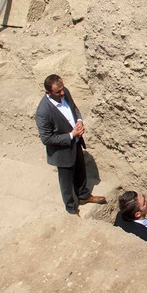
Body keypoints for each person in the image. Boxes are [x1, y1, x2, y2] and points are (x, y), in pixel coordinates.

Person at [35, 74, 105, 216]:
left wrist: (79, 120)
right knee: (66, 182)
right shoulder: (43, 112)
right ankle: (71, 209)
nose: (62, 93)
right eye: (58, 92)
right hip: (62, 152)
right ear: (48, 92)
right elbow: (47, 139)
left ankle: (83, 196)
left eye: (62, 89)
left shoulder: (65, 92)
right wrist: (71, 135)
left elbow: (74, 108)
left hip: (76, 143)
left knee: (80, 171)